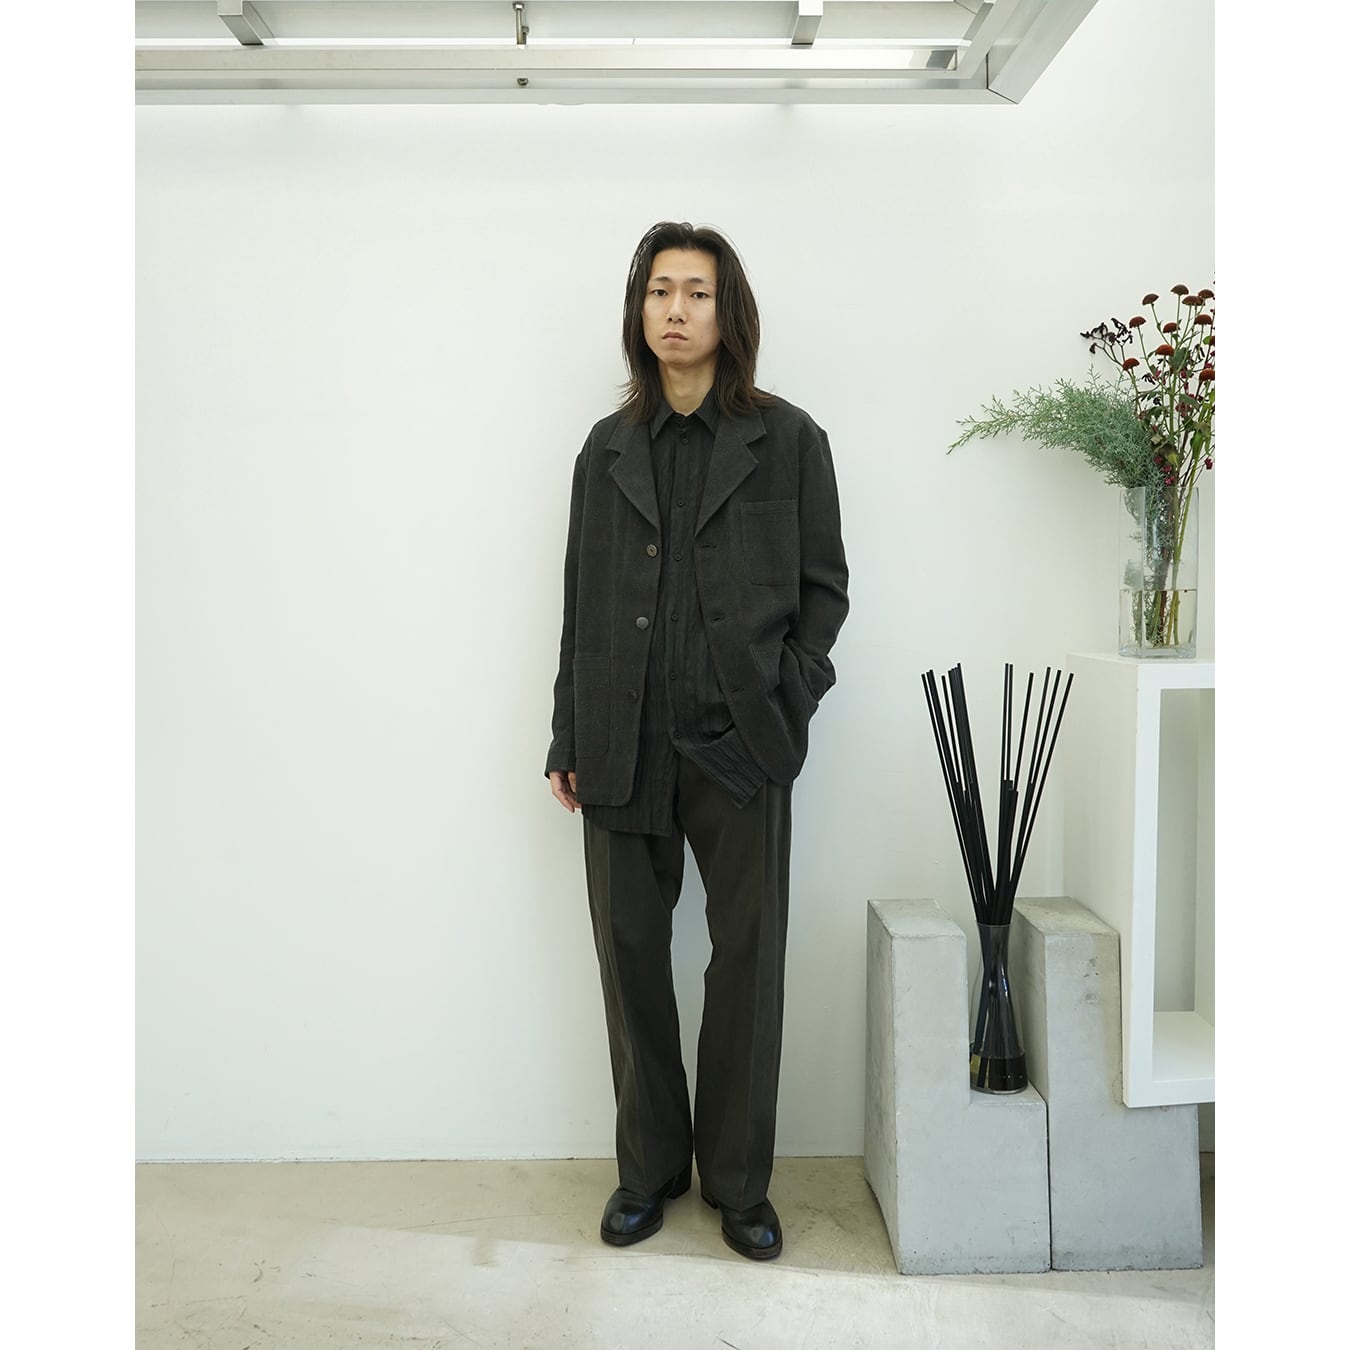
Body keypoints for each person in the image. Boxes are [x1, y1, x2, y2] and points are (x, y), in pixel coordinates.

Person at [545, 220, 848, 1261]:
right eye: (660, 291)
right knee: (629, 955)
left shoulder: (789, 440)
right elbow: (581, 603)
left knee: (747, 963)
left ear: (729, 312)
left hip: (741, 744)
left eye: (697, 293)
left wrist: (787, 700)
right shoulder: (605, 450)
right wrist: (568, 729)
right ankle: (649, 1171)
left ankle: (738, 1183)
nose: (676, 310)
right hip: (620, 738)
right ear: (640, 310)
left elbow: (824, 592)